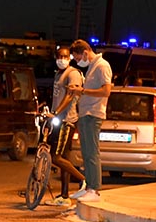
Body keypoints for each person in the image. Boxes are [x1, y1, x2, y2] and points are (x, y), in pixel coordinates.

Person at [67, 40, 112, 203]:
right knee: (86, 152)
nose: (78, 61)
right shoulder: (93, 66)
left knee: (92, 152)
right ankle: (88, 187)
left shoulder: (102, 65)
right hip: (86, 113)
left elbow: (106, 91)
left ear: (85, 52)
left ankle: (95, 189)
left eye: (78, 58)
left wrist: (83, 90)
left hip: (94, 114)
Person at [44, 47, 85, 206]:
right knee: (64, 159)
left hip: (67, 120)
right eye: (59, 56)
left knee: (56, 157)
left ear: (70, 58)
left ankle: (83, 180)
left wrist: (56, 112)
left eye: (65, 56)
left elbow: (70, 96)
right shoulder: (58, 74)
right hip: (58, 119)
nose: (62, 58)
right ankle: (64, 195)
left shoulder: (72, 73)